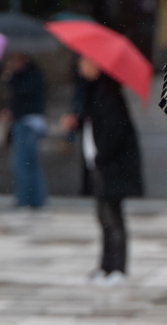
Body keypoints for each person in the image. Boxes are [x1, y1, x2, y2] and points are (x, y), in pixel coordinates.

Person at [60, 56, 144, 286]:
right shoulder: (92, 91)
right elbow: (89, 121)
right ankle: (106, 266)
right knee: (103, 218)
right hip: (99, 165)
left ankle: (118, 268)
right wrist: (75, 122)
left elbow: (113, 133)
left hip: (111, 166)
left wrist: (102, 158)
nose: (80, 66)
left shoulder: (109, 95)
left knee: (113, 217)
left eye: (85, 61)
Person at [1, 52, 49, 208]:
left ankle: (26, 199)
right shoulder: (30, 73)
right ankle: (35, 199)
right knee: (29, 162)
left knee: (23, 163)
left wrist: (10, 76)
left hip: (28, 122)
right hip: (26, 121)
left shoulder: (31, 74)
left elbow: (23, 93)